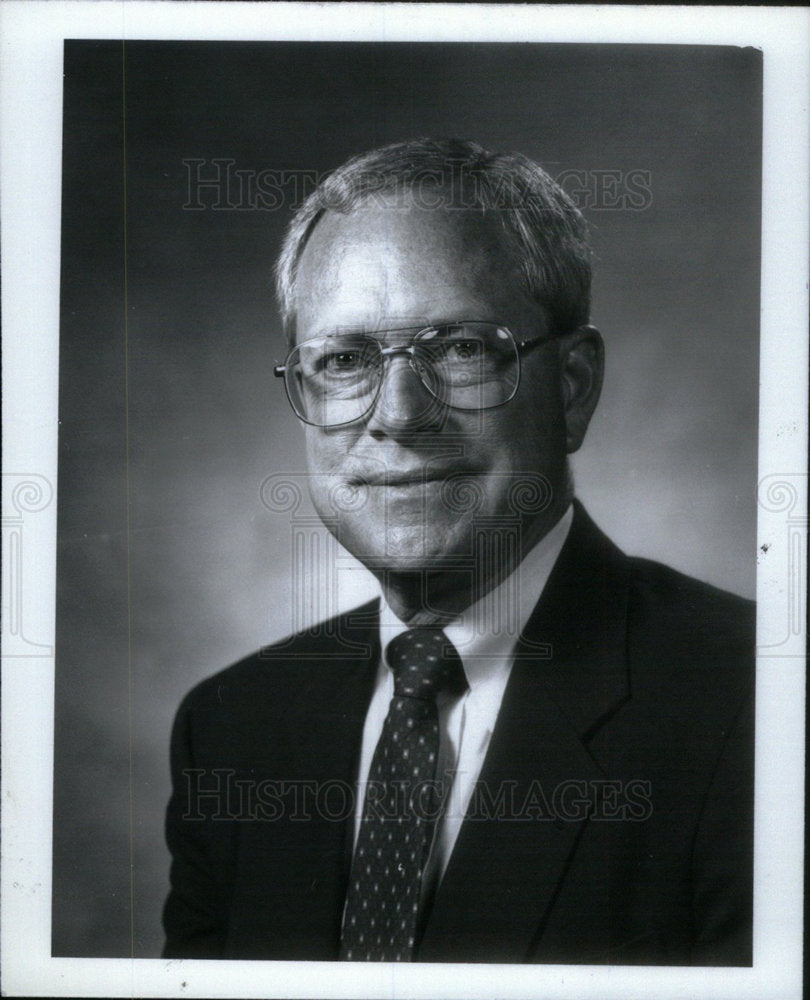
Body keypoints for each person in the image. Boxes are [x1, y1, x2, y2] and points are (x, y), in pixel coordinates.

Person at [162, 138, 754, 965]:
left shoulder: (751, 706)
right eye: (343, 360)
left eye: (460, 348)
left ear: (573, 386)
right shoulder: (232, 730)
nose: (399, 415)